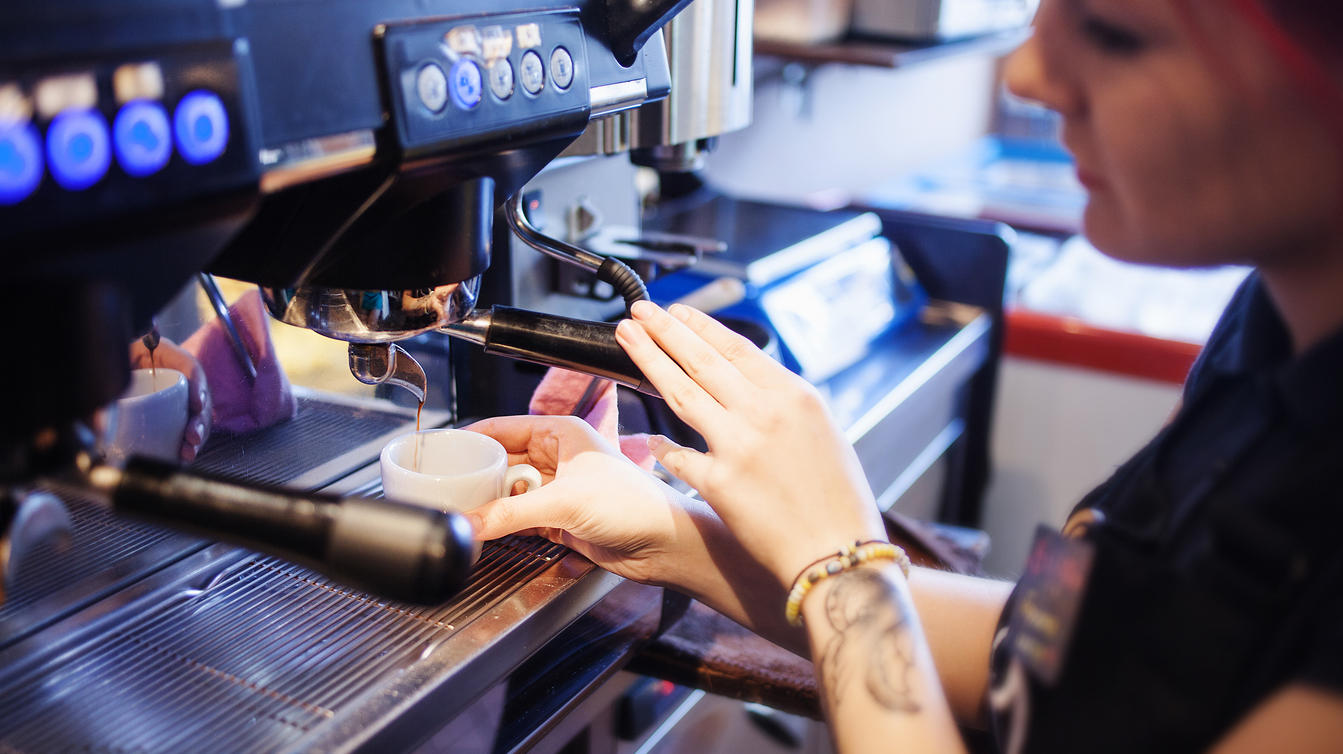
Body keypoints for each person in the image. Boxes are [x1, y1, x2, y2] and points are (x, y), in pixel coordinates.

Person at [466, 0, 1343, 750]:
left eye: (1115, 32)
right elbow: (1053, 657)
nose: (1027, 75)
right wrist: (671, 532)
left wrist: (841, 559)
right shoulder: (1268, 333)